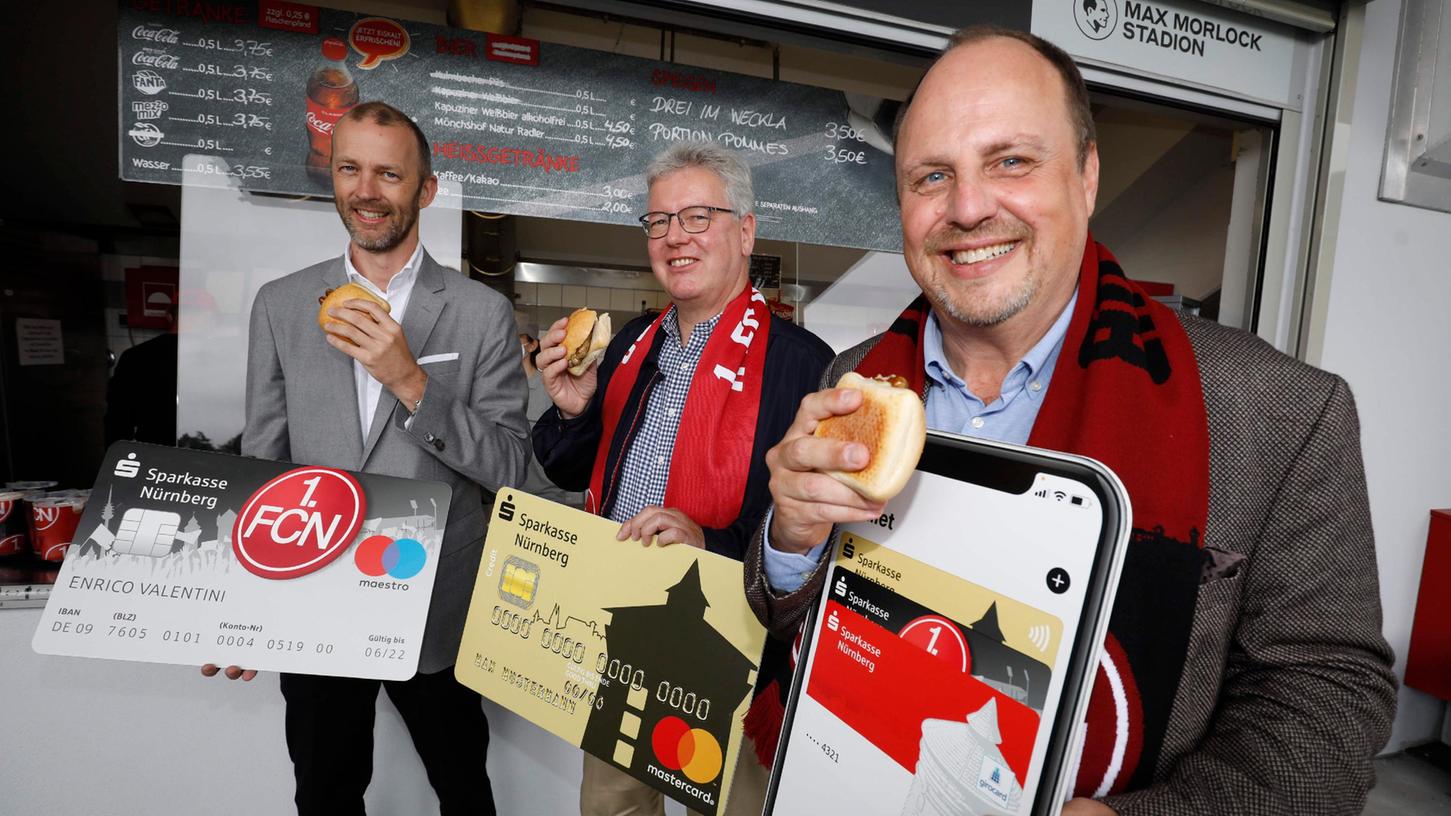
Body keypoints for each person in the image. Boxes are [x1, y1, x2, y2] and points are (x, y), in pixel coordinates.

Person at [747, 26, 1397, 815]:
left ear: (1086, 176)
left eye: (1010, 161)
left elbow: (1326, 699)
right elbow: (790, 615)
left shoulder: (1280, 413)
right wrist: (787, 543)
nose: (967, 207)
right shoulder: (852, 382)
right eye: (930, 177)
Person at [203, 101, 529, 816]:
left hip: (437, 607)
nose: (366, 190)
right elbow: (265, 465)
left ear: (426, 190)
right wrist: (238, 608)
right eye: (350, 168)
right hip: (312, 605)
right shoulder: (282, 305)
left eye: (389, 173)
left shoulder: (479, 312)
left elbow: (509, 466)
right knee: (324, 792)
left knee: (463, 792)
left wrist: (409, 379)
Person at [531, 141, 833, 816]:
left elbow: (818, 532)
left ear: (745, 230)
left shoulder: (803, 364)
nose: (674, 237)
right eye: (659, 221)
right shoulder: (629, 343)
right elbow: (566, 467)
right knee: (611, 807)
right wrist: (573, 409)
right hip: (620, 641)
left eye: (697, 217)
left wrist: (713, 544)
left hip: (732, 661)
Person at [518, 331, 585, 507]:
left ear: (532, 345)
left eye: (517, 338)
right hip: (509, 492)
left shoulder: (552, 385)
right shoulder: (501, 389)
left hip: (548, 496)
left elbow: (569, 440)